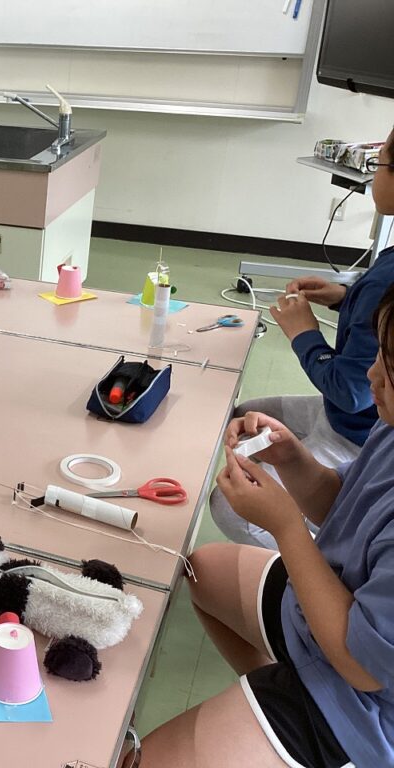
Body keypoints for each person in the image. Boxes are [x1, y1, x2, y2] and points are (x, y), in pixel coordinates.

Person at [129, 280, 394, 767]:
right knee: (202, 571)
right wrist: (291, 458)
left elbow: (362, 668)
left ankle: (283, 718)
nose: (372, 374)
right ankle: (272, 696)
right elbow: (343, 505)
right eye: (380, 354)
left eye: (391, 369)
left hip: (363, 708)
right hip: (332, 618)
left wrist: (286, 527)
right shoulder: (390, 427)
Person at [211, 125, 394, 548]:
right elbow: (375, 327)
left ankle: (316, 554)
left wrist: (304, 335)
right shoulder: (385, 274)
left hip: (354, 433)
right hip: (346, 418)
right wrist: (344, 299)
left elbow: (352, 391)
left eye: (379, 162)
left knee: (229, 507)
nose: (374, 173)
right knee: (239, 416)